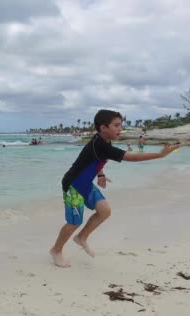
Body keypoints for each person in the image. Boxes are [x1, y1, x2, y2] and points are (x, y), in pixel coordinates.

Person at [49, 109, 180, 268]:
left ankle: (82, 237)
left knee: (104, 211)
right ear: (103, 128)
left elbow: (92, 160)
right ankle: (56, 250)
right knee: (74, 222)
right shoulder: (100, 144)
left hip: (85, 184)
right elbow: (130, 157)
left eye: (121, 125)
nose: (120, 129)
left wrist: (101, 175)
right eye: (116, 125)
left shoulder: (103, 142)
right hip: (73, 185)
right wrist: (160, 155)